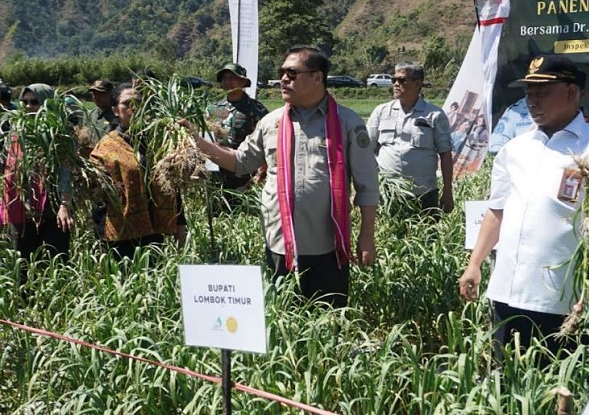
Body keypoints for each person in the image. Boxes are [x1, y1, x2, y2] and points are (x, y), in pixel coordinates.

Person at [458, 55, 589, 365]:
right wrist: (475, 264)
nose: (533, 102)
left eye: (543, 92)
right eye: (529, 93)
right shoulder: (516, 149)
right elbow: (497, 212)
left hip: (562, 300)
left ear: (572, 92)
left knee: (555, 388)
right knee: (503, 383)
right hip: (506, 291)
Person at [182, 45, 378, 308]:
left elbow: (367, 185)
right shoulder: (271, 122)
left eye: (293, 73)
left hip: (328, 247)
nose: (284, 79)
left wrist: (366, 236)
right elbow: (240, 163)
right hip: (279, 244)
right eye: (282, 72)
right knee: (285, 319)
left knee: (329, 320)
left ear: (317, 77)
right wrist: (199, 142)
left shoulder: (347, 122)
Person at [90, 83, 187, 261]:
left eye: (139, 103)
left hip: (155, 230)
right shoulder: (105, 147)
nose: (134, 108)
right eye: (127, 103)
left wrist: (181, 224)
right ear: (115, 111)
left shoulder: (159, 142)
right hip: (120, 234)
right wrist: (100, 238)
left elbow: (171, 185)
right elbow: (98, 197)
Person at [1, 84, 74, 280]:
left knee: (56, 262)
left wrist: (64, 205)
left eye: (34, 102)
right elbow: (6, 167)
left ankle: (58, 304)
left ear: (47, 103)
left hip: (53, 209)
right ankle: (25, 306)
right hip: (21, 210)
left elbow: (66, 171)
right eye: (24, 102)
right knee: (22, 264)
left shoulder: (60, 133)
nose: (27, 106)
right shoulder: (16, 133)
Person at [367, 61, 454, 214]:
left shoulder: (434, 115)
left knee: (426, 236)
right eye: (393, 80)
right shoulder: (381, 112)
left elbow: (445, 154)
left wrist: (448, 192)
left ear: (417, 83)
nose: (395, 84)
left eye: (401, 80)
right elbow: (366, 151)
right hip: (387, 194)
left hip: (423, 194)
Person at [209, 63, 268, 191]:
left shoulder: (256, 109)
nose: (228, 82)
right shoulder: (213, 108)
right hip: (217, 174)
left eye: (232, 78)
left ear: (243, 82)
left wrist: (260, 173)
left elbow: (266, 142)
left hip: (245, 174)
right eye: (225, 78)